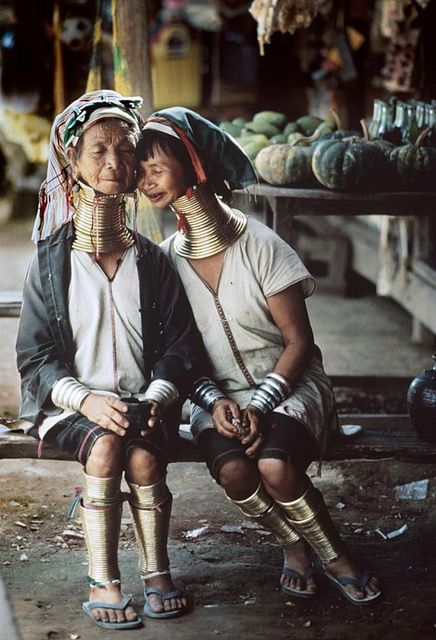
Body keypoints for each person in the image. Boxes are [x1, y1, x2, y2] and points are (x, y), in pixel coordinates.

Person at [135, 107, 382, 606]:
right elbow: (177, 353)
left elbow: (299, 344)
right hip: (215, 395)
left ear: (194, 164)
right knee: (233, 471)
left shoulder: (261, 245)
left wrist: (261, 405)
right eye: (139, 174)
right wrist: (214, 401)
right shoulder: (164, 261)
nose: (146, 181)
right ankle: (292, 545)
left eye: (156, 167)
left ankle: (336, 556)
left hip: (290, 383)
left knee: (273, 466)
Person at [16, 91, 204, 630]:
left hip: (144, 401)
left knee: (143, 460)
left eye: (125, 150)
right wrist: (88, 400)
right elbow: (35, 358)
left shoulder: (152, 259)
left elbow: (180, 347)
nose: (114, 164)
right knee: (104, 452)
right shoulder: (51, 264)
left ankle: (157, 574)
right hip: (74, 403)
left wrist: (155, 396)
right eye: (98, 151)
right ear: (72, 163)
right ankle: (104, 579)